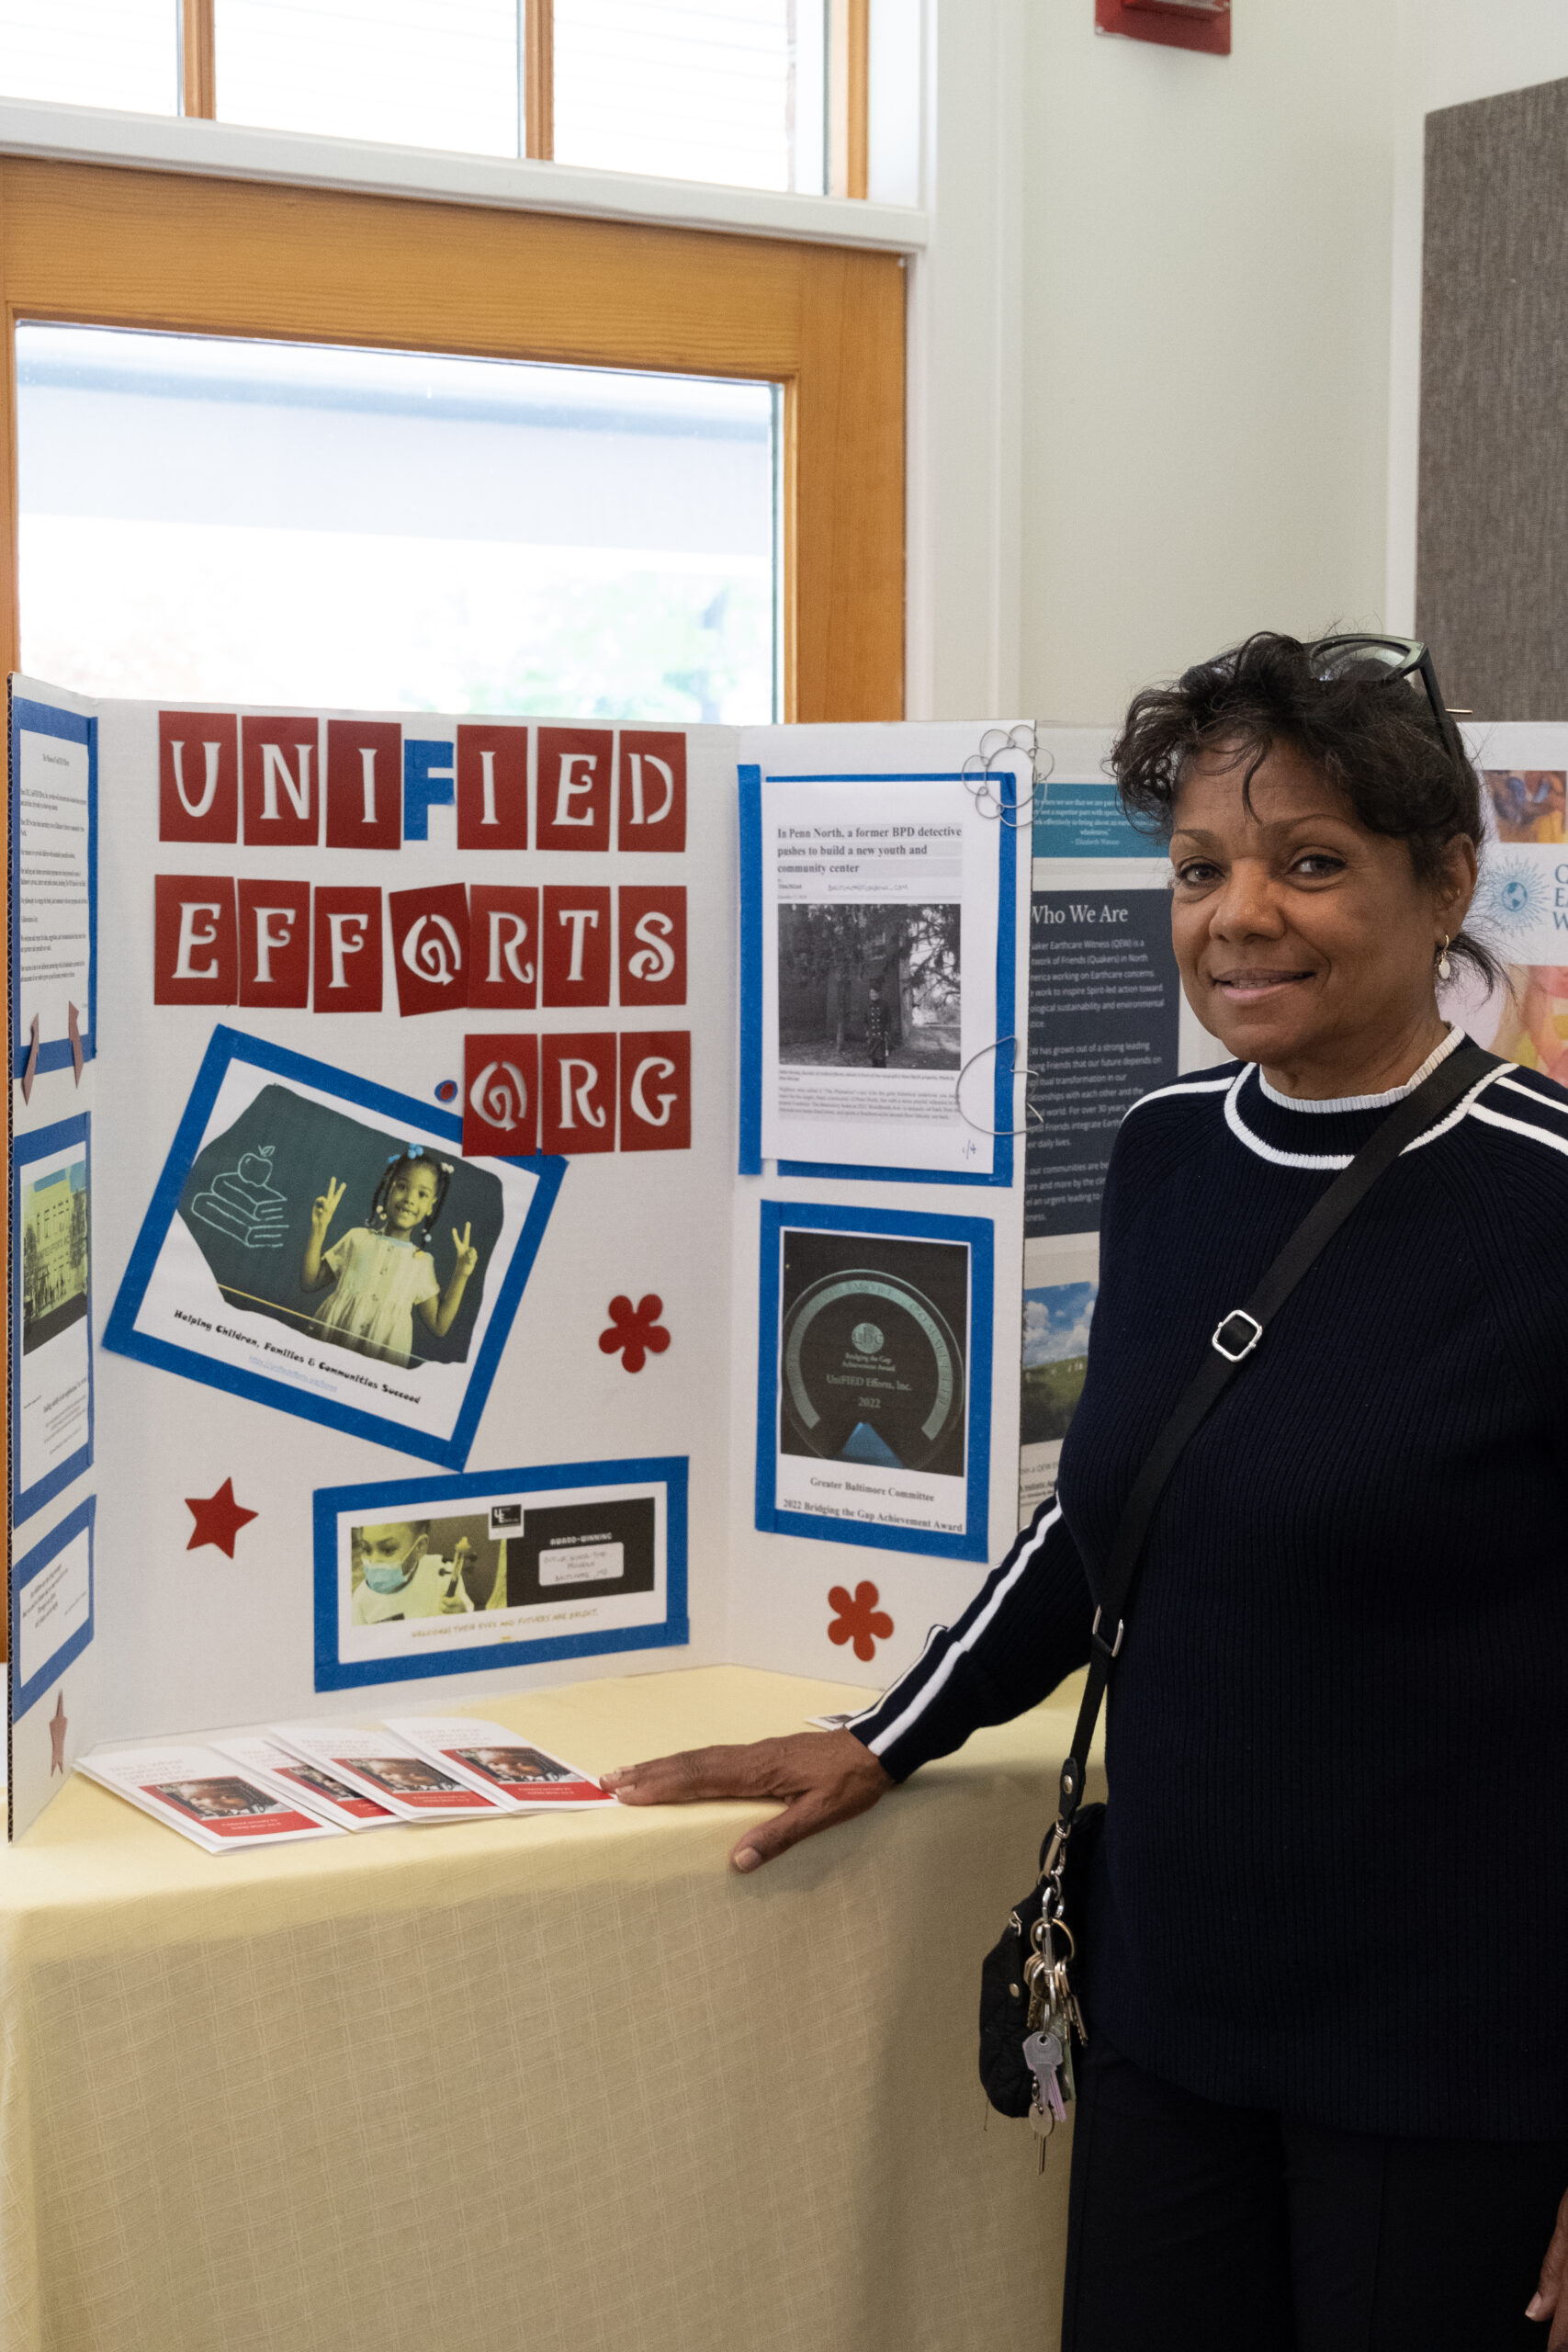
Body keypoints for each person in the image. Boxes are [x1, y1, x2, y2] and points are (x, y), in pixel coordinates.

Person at [604, 633, 1568, 2349]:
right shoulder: (1167, 1150)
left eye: (1308, 863)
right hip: (1171, 2003)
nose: (1238, 915)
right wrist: (887, 1732)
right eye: (1198, 869)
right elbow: (1111, 1512)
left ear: (1443, 883)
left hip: (1453, 2054)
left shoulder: (1539, 1202)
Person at [300, 1146, 479, 1369]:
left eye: (422, 1194)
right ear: (389, 1188)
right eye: (402, 1187)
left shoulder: (421, 1263)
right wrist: (319, 1229)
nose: (410, 1199)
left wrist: (461, 1274)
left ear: (430, 1206)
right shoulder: (357, 1238)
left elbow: (439, 1325)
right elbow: (309, 1282)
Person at [350, 1520, 477, 1624]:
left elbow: (468, 1617)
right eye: (367, 1550)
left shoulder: (445, 1574)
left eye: (388, 1550)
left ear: (419, 1547)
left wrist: (462, 1615)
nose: (373, 1561)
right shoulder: (362, 1598)